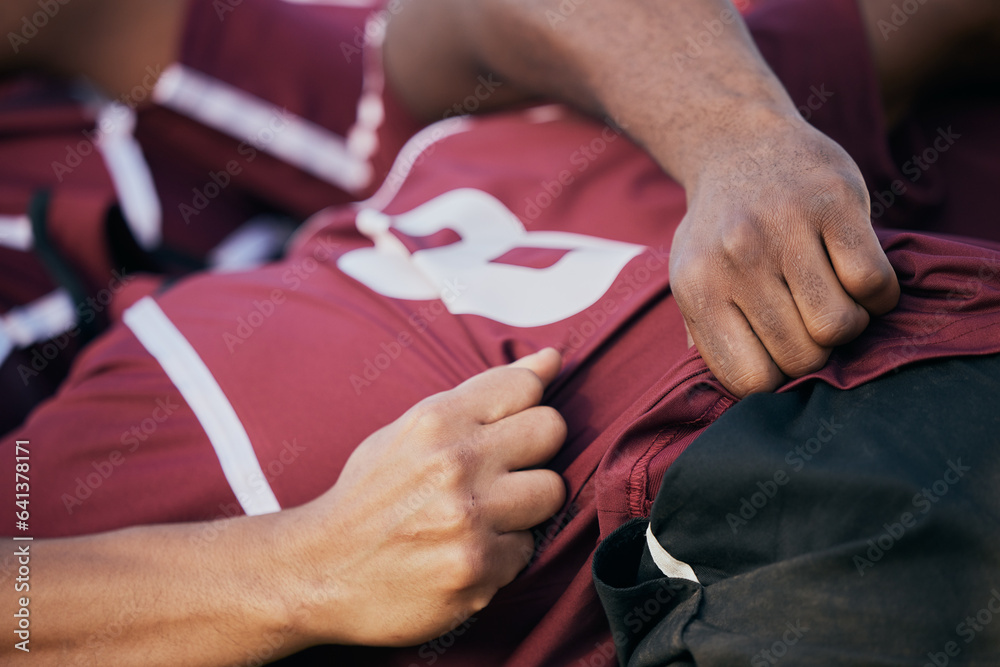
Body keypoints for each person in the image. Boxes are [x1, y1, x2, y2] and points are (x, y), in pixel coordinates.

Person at [1, 0, 998, 666]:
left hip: (886, 394)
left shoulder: (449, 103)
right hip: (694, 548)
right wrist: (293, 568)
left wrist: (735, 137)